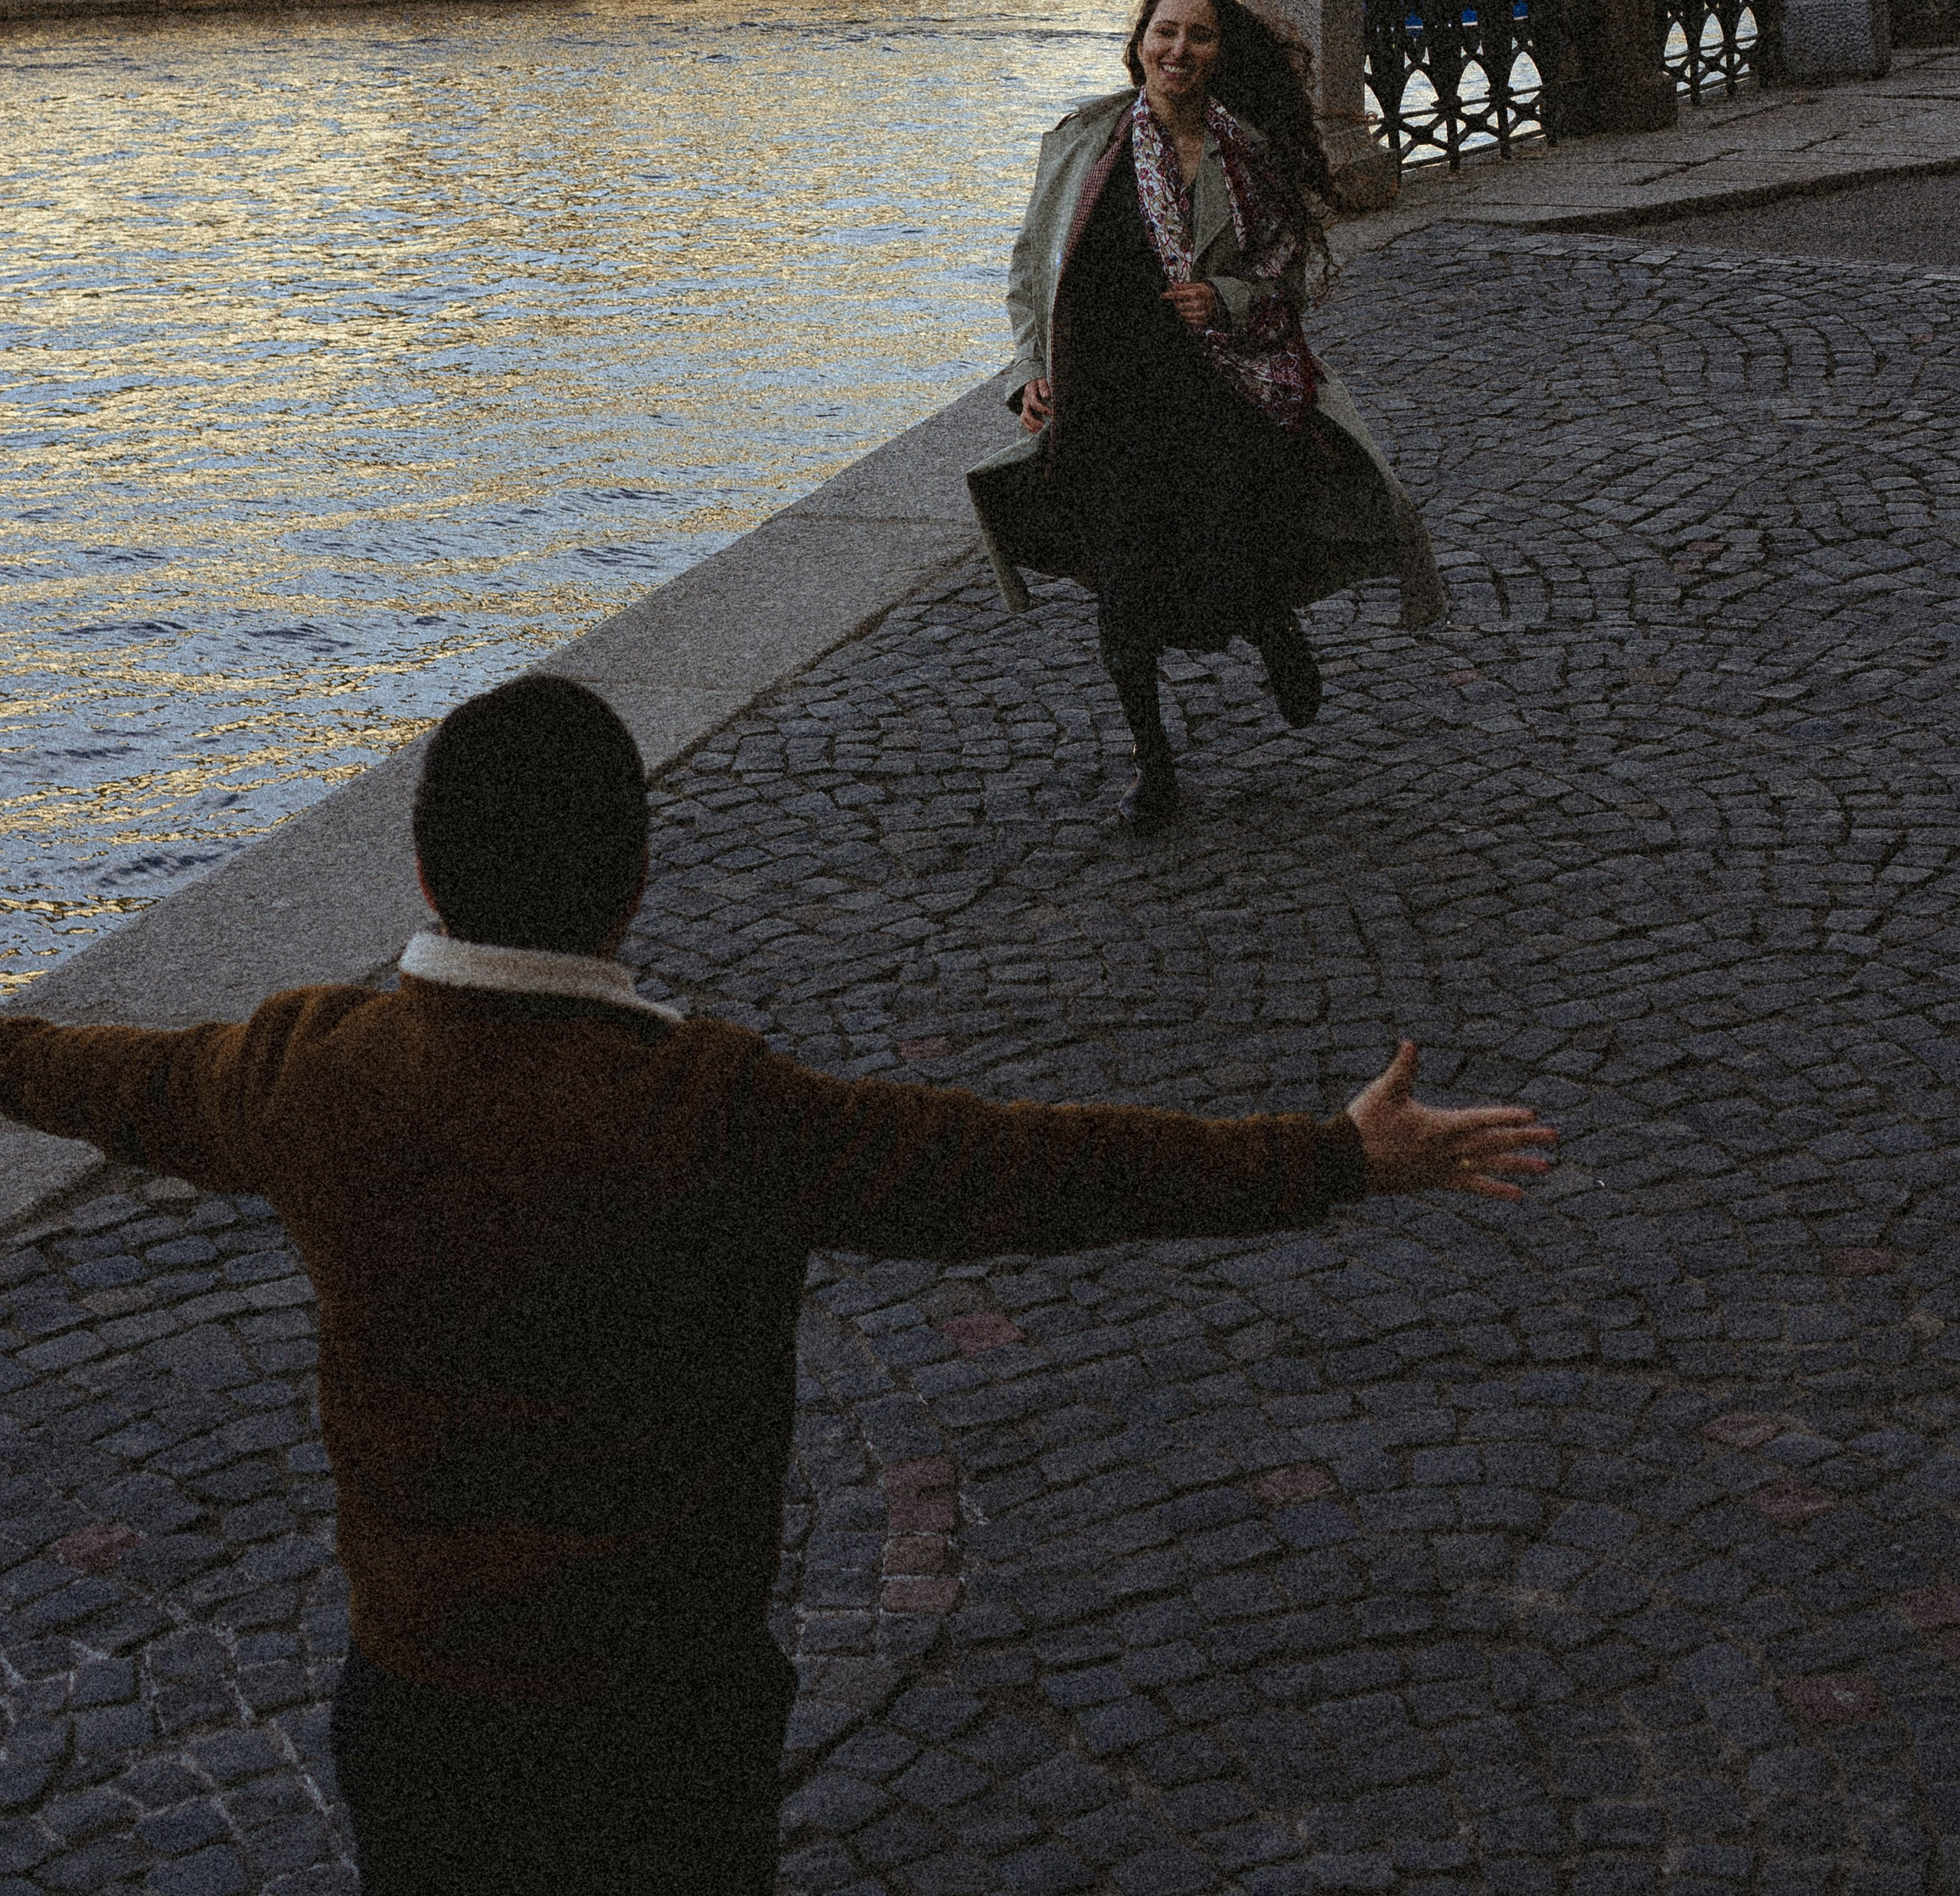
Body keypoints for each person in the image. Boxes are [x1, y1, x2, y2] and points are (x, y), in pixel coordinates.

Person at [0, 672, 1553, 1896]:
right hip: (666, 1713)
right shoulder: (715, 1113)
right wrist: (1333, 1158)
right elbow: (1028, 1171)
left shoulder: (308, 1076)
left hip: (427, 1704)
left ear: (420, 867)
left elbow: (88, 1077)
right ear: (634, 880)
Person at [969, 0, 1447, 829]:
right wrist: (1030, 371)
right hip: (1107, 399)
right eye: (1163, 34)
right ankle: (1154, 769)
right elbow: (1029, 268)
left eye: (1197, 37)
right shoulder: (1086, 142)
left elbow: (1287, 271)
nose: (1176, 51)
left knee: (1228, 556)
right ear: (1138, 43)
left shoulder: (1246, 155)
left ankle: (1271, 629)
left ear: (1220, 53)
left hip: (1216, 397)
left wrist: (1224, 297)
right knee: (1124, 591)